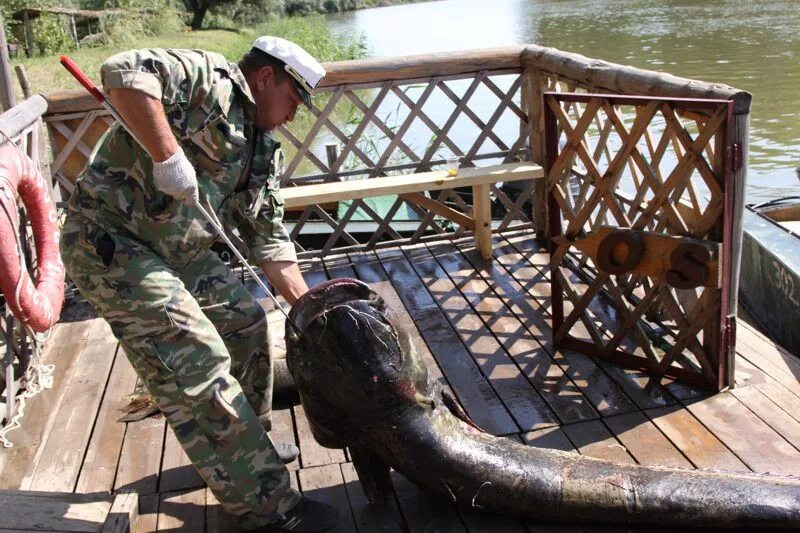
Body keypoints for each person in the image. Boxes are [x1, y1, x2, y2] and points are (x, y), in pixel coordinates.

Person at [60, 37, 338, 532]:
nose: (297, 112)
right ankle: (269, 509)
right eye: (296, 98)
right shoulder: (208, 79)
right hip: (111, 244)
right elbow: (122, 69)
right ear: (266, 78)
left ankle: (247, 449)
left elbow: (270, 242)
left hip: (176, 250)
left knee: (247, 323)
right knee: (196, 356)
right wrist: (167, 156)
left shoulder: (262, 148)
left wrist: (311, 310)